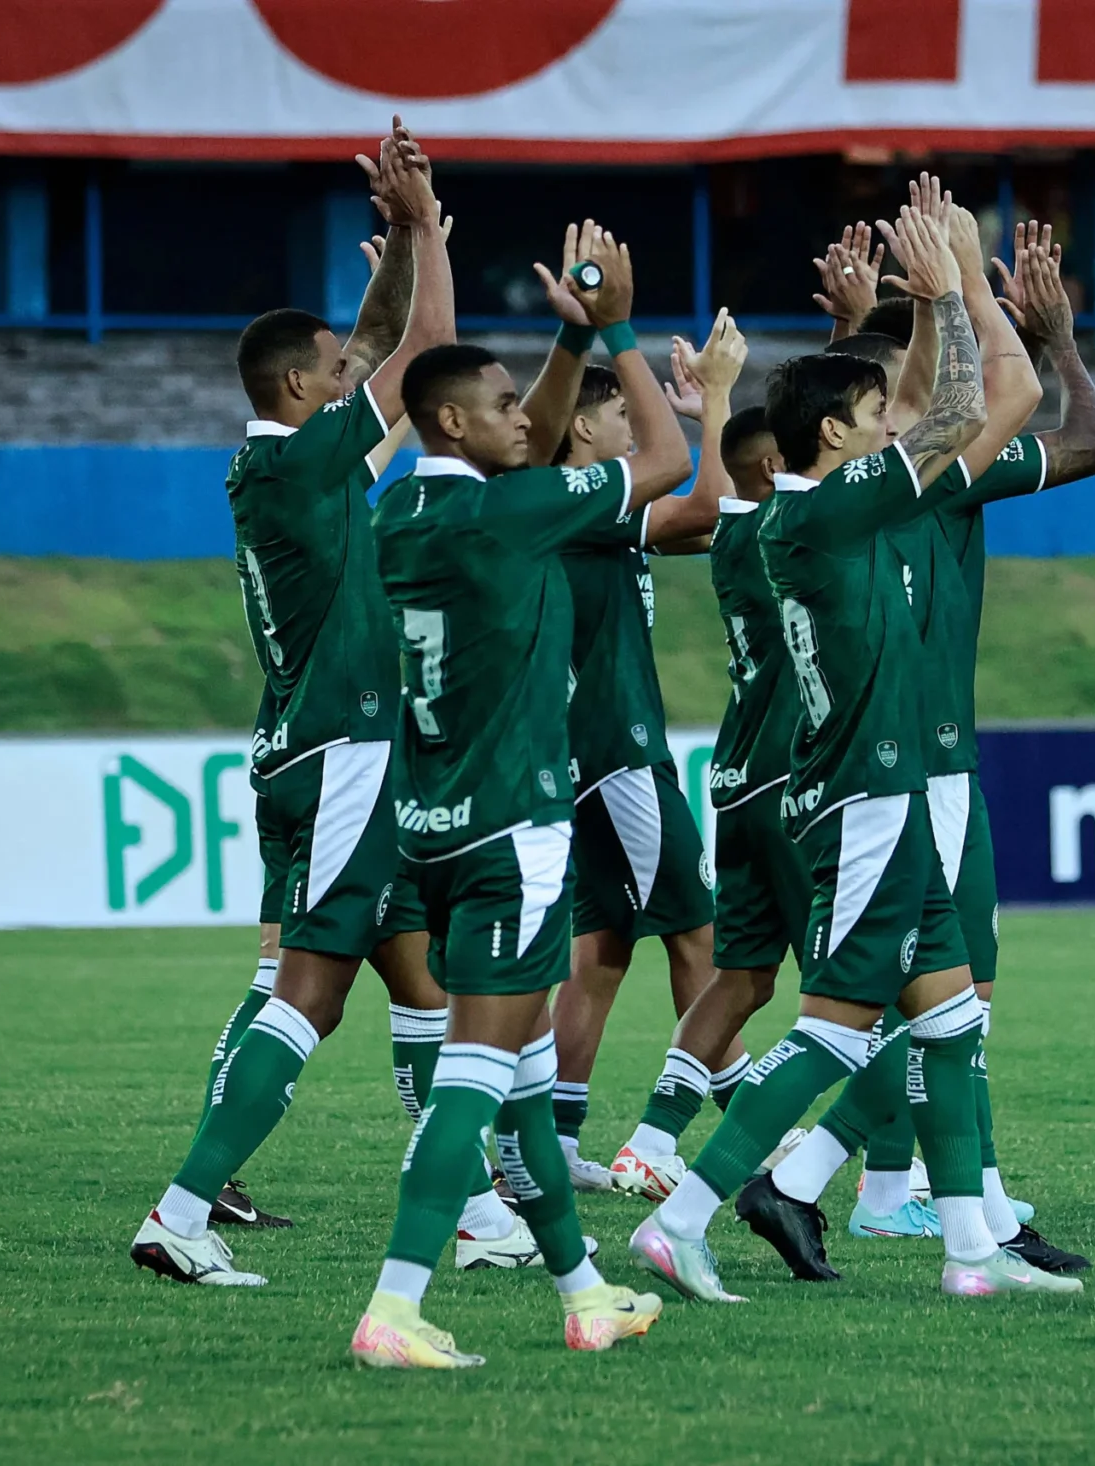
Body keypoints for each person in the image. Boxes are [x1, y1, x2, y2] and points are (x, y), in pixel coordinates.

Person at [628, 201, 1077, 1302]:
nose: (893, 423)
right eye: (873, 413)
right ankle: (686, 1212)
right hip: (869, 793)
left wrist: (928, 310)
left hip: (885, 787)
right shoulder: (830, 513)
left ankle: (973, 1249)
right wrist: (943, 288)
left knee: (952, 1012)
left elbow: (936, 402)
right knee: (837, 1022)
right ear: (834, 434)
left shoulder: (815, 506)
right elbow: (973, 402)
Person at [738, 213, 1095, 1279]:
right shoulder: (904, 477)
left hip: (924, 755)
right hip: (906, 763)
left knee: (945, 1010)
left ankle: (914, 1199)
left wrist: (955, 320)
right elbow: (1001, 406)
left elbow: (1079, 443)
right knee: (947, 1007)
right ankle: (882, 1195)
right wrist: (973, 307)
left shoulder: (924, 472)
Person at [346, 293, 712, 1367]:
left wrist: (565, 341)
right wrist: (622, 332)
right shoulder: (510, 512)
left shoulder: (396, 515)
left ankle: (586, 1291)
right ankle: (395, 1303)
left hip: (431, 828)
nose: (530, 420)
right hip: (512, 831)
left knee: (523, 1074)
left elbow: (532, 444)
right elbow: (661, 454)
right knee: (476, 1076)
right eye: (506, 406)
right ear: (454, 424)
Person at [128, 119, 459, 1287]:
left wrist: (418, 245)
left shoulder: (287, 469)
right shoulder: (305, 456)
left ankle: (464, 1204)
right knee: (308, 992)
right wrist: (415, 224)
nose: (346, 377)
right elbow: (413, 351)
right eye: (331, 370)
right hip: (346, 748)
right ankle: (181, 1206)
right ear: (298, 386)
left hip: (311, 746)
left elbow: (420, 372)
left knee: (424, 981)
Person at [546, 343, 732, 1191]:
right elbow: (711, 502)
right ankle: (742, 1128)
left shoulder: (588, 513)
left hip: (590, 757)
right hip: (618, 754)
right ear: (582, 427)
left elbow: (708, 518)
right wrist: (713, 408)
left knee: (605, 952)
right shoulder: (583, 505)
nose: (634, 431)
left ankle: (550, 1140)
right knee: (699, 933)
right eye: (623, 415)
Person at [608, 398, 794, 1200]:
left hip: (738, 779)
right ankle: (882, 1180)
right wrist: (716, 402)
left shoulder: (741, 541)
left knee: (744, 977)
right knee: (863, 990)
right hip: (798, 781)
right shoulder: (789, 534)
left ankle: (653, 1140)